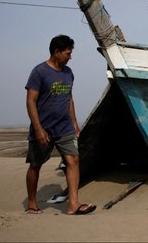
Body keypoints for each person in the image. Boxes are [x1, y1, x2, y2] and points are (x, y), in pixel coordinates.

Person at [25, 35, 96, 215]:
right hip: (43, 129)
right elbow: (30, 102)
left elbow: (69, 99)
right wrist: (39, 129)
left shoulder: (68, 72)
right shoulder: (39, 72)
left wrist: (74, 123)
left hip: (65, 128)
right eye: (67, 53)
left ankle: (73, 204)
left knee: (73, 161)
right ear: (56, 52)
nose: (70, 57)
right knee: (35, 165)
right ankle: (32, 202)